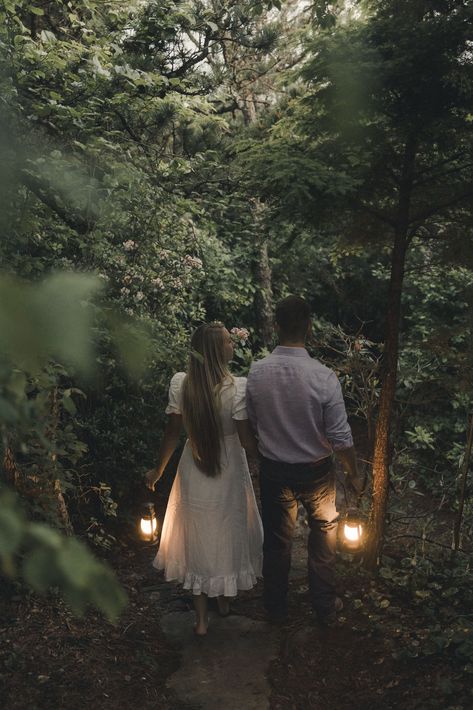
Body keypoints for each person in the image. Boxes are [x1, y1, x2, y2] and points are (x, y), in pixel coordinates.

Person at [246, 296, 363, 625]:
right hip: (315, 471)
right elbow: (341, 438)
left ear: (276, 326)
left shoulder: (256, 373)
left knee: (278, 540)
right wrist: (354, 472)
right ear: (309, 327)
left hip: (273, 469)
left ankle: (276, 609)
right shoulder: (323, 377)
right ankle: (324, 608)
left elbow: (254, 423)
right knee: (324, 532)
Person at [146, 322, 263, 636]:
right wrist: (265, 459)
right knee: (227, 528)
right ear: (217, 351)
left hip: (193, 465)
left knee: (197, 533)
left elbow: (171, 434)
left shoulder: (182, 384)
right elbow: (246, 439)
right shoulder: (237, 387)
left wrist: (158, 470)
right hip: (229, 466)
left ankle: (200, 621)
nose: (232, 345)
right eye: (227, 341)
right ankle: (223, 600)